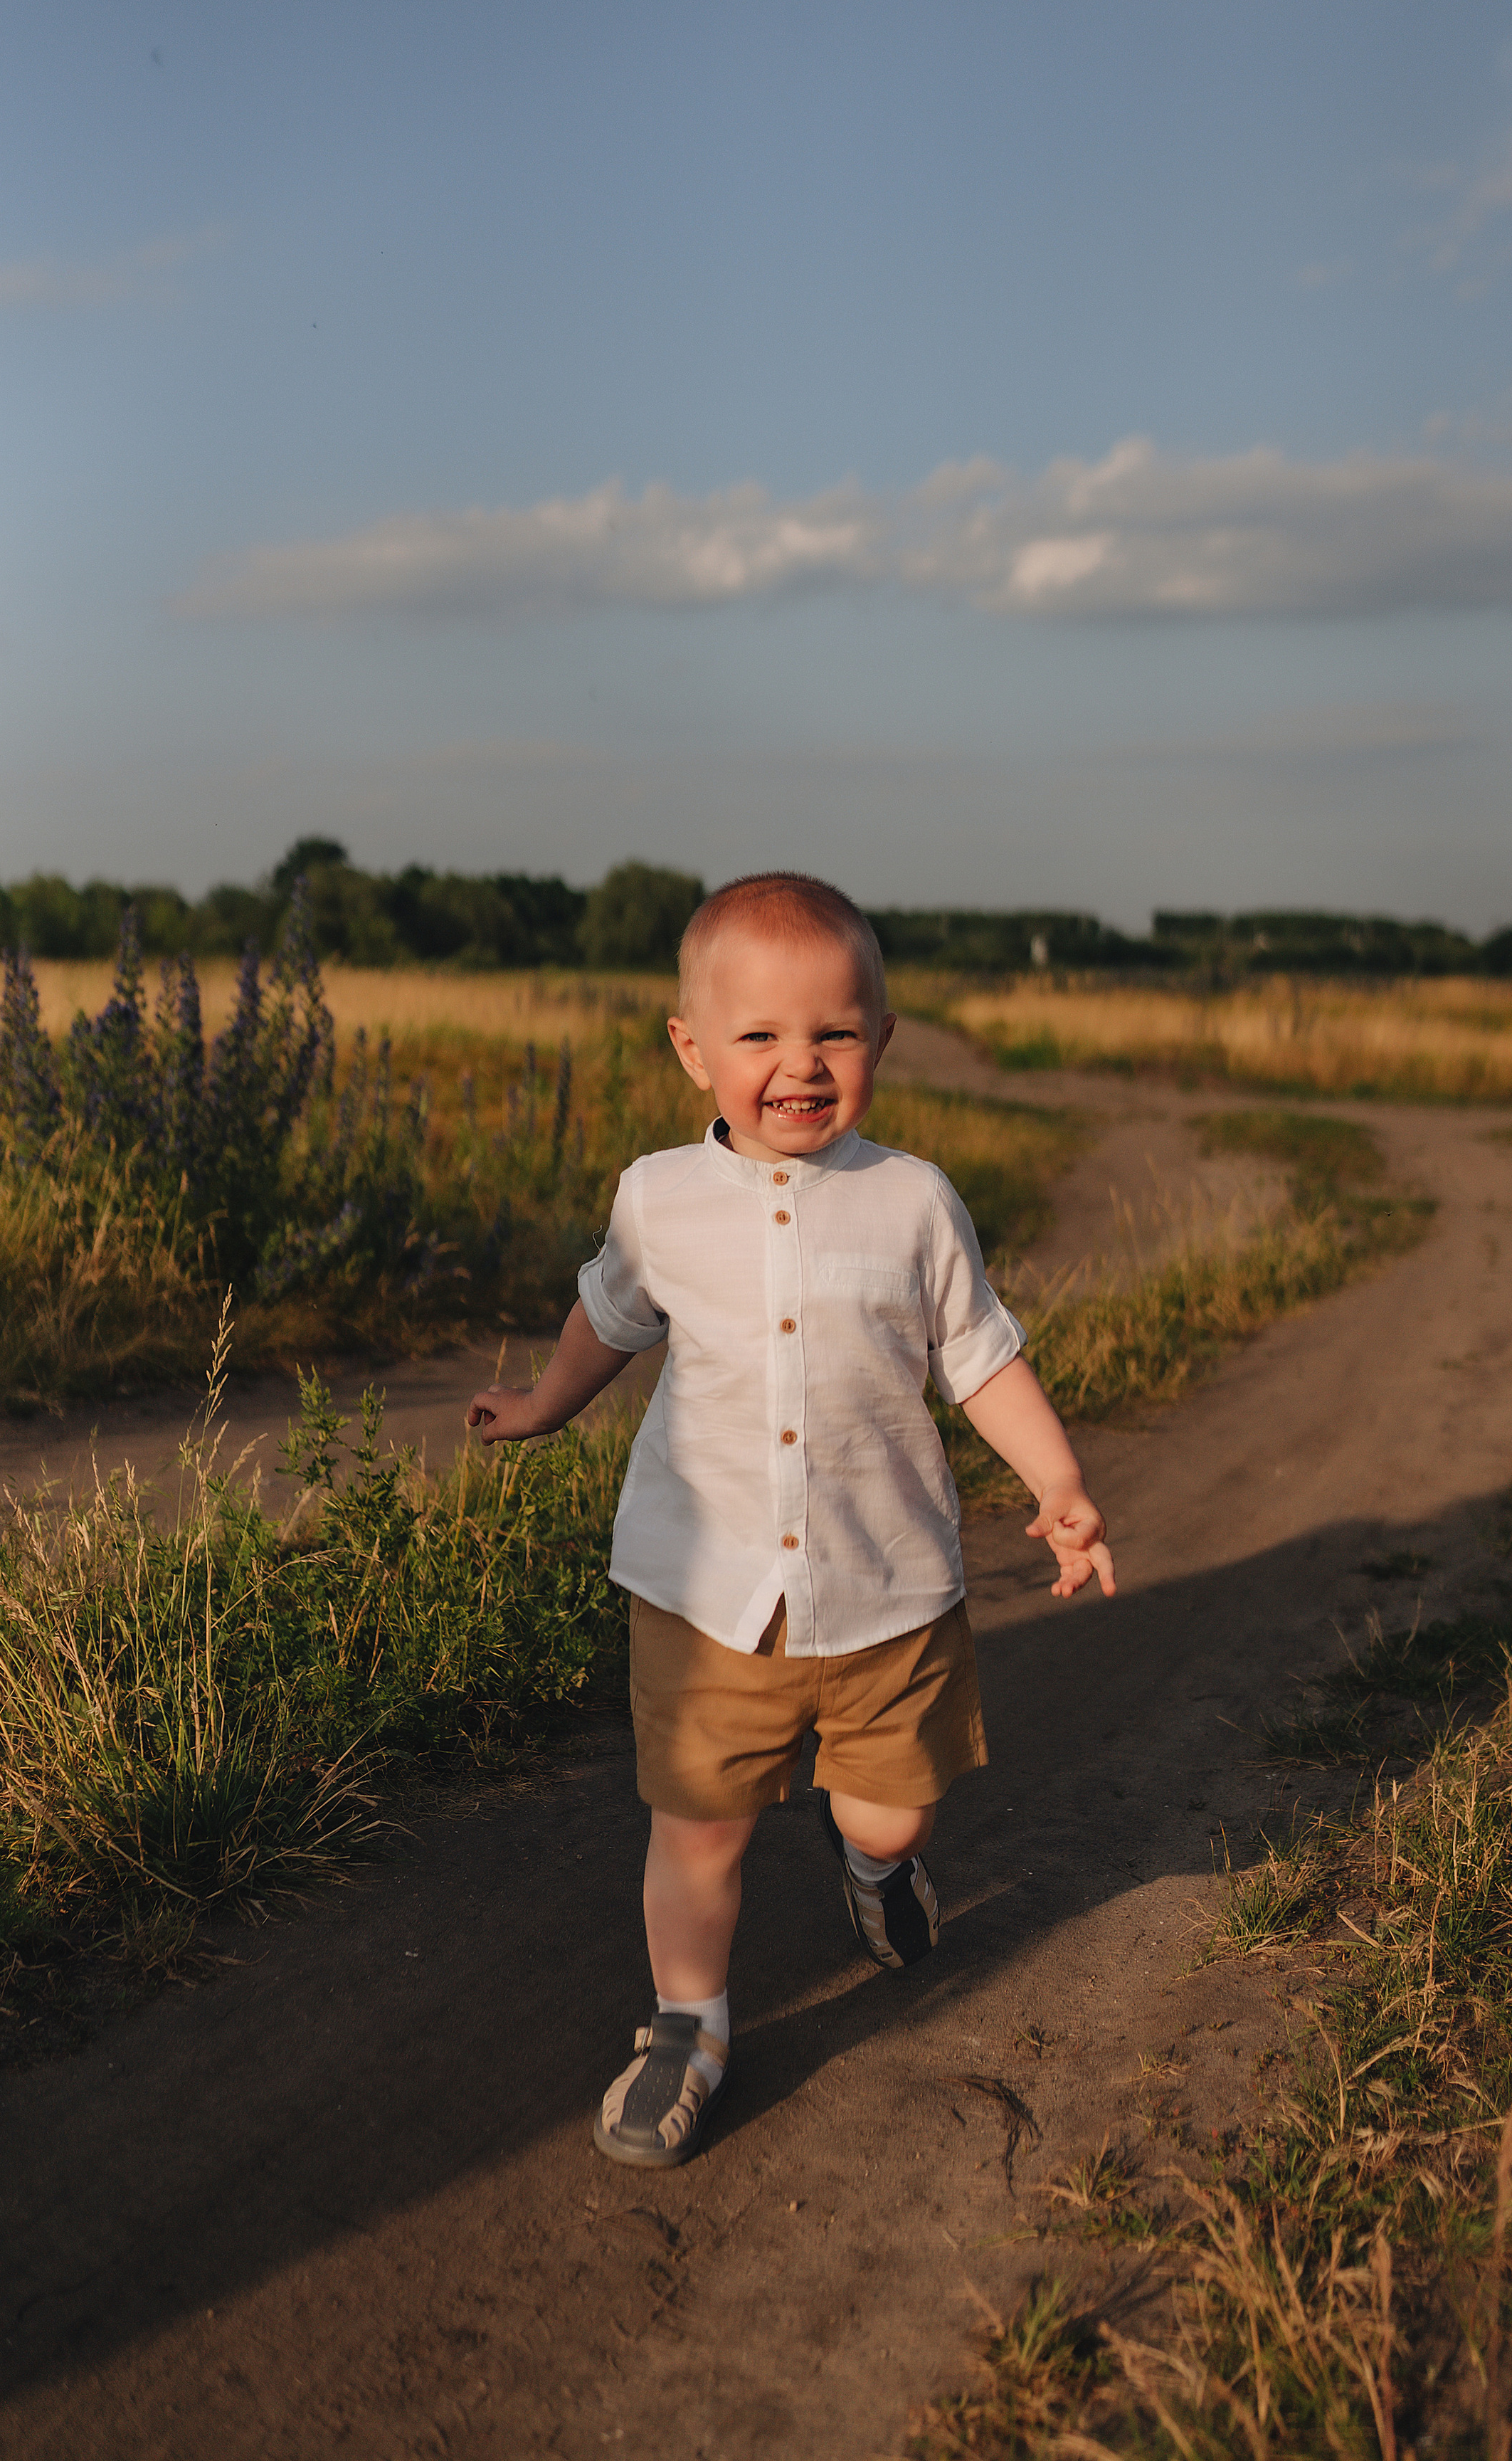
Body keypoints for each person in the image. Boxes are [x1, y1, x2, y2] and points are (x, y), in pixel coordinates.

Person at [467, 873, 1112, 2169]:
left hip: (886, 1589)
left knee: (893, 1817)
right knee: (695, 1830)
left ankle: (872, 1865)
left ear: (880, 1038)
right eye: (759, 1036)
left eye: (833, 1032)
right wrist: (545, 1402)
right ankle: (688, 2025)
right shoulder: (658, 1198)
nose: (798, 1065)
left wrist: (1057, 1482)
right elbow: (612, 1315)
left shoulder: (916, 1202)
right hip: (705, 1600)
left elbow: (979, 1358)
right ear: (693, 1048)